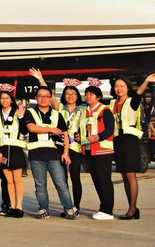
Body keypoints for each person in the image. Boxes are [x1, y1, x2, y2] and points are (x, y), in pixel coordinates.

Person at [113, 73, 155, 220]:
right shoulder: (112, 103)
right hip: (118, 141)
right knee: (124, 175)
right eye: (117, 86)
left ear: (128, 88)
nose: (119, 89)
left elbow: (139, 93)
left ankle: (132, 209)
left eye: (122, 86)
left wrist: (146, 81)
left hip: (130, 141)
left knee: (130, 175)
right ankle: (132, 207)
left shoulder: (131, 101)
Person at [23, 87, 77, 219]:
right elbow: (32, 128)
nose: (43, 99)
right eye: (40, 96)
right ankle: (43, 209)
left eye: (46, 96)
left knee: (61, 183)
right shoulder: (30, 112)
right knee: (40, 185)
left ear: (50, 98)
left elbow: (65, 133)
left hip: (55, 154)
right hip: (36, 155)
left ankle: (69, 208)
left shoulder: (57, 114)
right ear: (36, 98)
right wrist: (52, 129)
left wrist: (66, 152)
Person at [0, 90, 27, 218]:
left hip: (16, 149)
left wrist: (21, 117)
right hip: (3, 149)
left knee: (17, 180)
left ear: (12, 100)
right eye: (2, 98)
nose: (4, 100)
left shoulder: (17, 113)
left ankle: (19, 207)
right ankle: (12, 206)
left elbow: (24, 131)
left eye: (7, 98)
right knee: (8, 181)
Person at [82, 85, 118, 220]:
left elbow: (110, 129)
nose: (88, 97)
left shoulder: (105, 111)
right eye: (86, 94)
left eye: (91, 94)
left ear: (98, 97)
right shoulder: (85, 111)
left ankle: (107, 210)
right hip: (89, 151)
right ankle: (103, 208)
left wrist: (97, 137)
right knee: (96, 180)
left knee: (104, 180)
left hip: (103, 151)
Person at [58, 84, 87, 214]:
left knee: (75, 177)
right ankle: (67, 206)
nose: (70, 96)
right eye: (67, 93)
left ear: (77, 96)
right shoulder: (60, 109)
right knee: (62, 180)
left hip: (75, 148)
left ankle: (76, 206)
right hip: (61, 147)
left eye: (73, 94)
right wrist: (41, 80)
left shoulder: (83, 111)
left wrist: (83, 136)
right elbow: (50, 96)